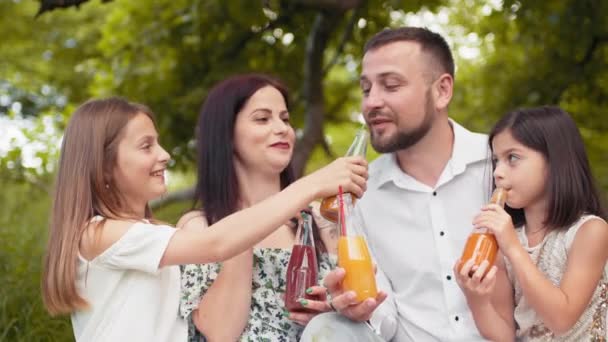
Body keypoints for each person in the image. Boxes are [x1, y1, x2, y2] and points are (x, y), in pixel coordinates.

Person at [41, 97, 368, 341]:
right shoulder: (100, 234)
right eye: (146, 146)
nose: (164, 154)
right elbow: (216, 244)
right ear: (103, 167)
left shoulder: (154, 236)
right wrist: (312, 185)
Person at [301, 26, 491, 341]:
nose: (371, 102)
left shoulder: (499, 165)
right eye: (365, 89)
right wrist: (358, 307)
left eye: (391, 85)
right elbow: (382, 317)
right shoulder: (360, 192)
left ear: (442, 91)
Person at [178, 74, 345, 342]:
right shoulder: (199, 227)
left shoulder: (319, 220)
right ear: (226, 134)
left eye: (285, 119)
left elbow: (363, 313)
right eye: (262, 119)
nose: (282, 129)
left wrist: (333, 311)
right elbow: (221, 332)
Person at [454, 106, 608, 341]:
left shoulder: (590, 231)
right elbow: (505, 336)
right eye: (496, 160)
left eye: (512, 158)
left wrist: (513, 247)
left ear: (554, 160)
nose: (498, 172)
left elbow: (562, 318)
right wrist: (476, 298)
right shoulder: (504, 243)